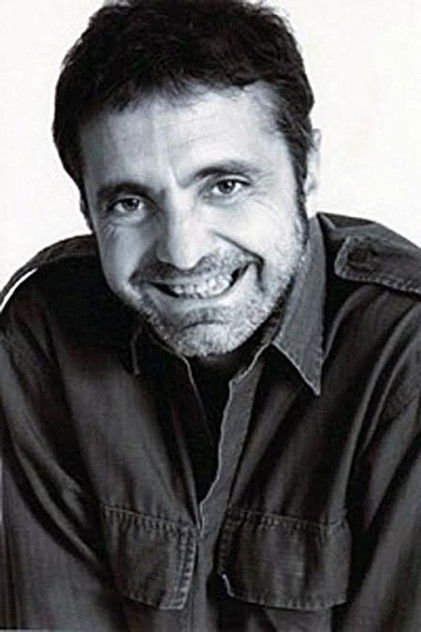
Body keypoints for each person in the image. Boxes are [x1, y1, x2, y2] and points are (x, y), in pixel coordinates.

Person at [0, 0, 420, 629]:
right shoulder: (43, 340)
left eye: (225, 186)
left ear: (307, 171)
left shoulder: (405, 354)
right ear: (88, 211)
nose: (182, 251)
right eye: (130, 203)